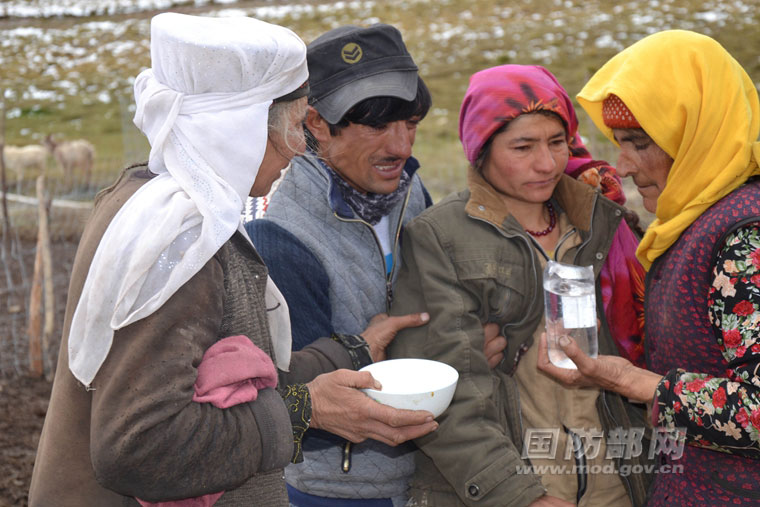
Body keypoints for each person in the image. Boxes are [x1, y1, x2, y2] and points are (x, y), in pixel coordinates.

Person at [27, 13, 440, 506]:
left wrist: (348, 354)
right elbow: (139, 446)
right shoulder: (176, 240)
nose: (297, 152)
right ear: (237, 126)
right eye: (292, 130)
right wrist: (304, 412)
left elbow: (220, 372)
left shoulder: (154, 200)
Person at [245, 23, 507, 507]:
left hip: (430, 475)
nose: (401, 147)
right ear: (317, 122)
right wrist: (447, 363)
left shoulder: (408, 191)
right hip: (340, 490)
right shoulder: (279, 235)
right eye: (377, 125)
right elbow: (295, 404)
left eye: (410, 123)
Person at [388, 64, 652, 506]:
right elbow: (449, 395)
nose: (546, 164)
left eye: (556, 143)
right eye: (522, 147)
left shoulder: (604, 225)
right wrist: (520, 496)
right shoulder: (440, 238)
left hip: (617, 485)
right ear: (481, 149)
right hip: (517, 489)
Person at [537, 30, 760, 506]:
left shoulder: (744, 237)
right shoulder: (696, 220)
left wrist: (635, 382)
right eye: (619, 142)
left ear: (696, 134)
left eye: (639, 143)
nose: (624, 164)